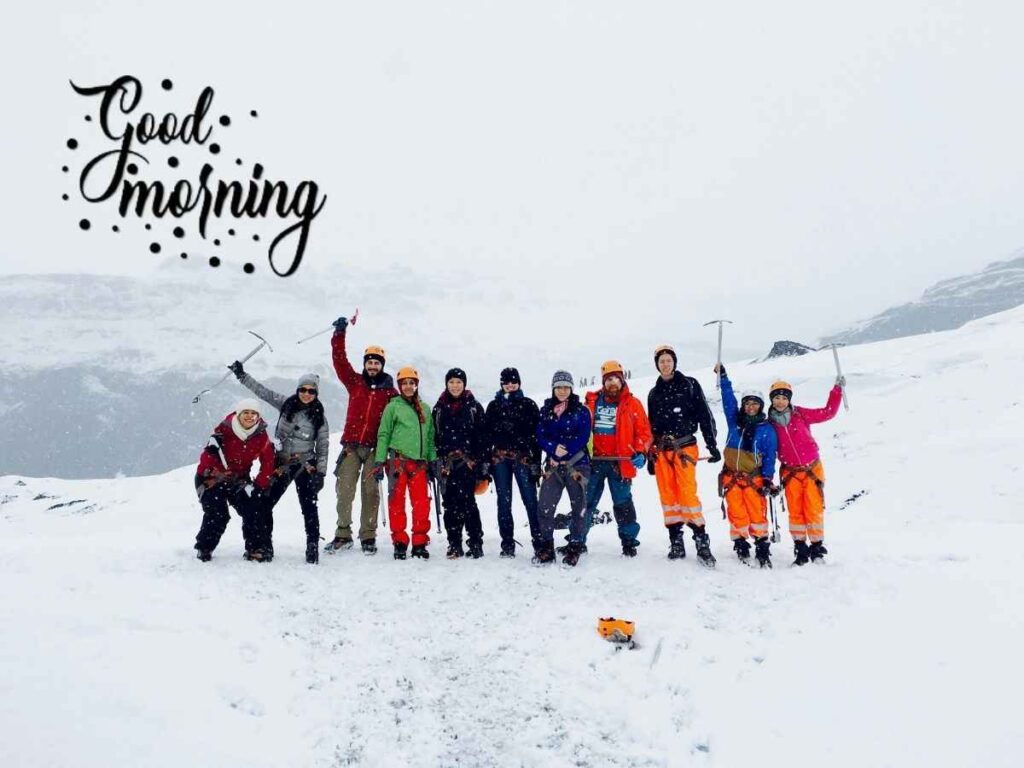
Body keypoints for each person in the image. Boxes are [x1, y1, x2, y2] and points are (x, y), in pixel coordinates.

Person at [230, 363, 329, 564]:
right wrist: (242, 376)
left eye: (311, 391)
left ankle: (312, 547)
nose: (307, 394)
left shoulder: (320, 417)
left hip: (304, 464)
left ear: (316, 393)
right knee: (265, 503)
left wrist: (321, 473)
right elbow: (263, 392)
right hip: (282, 462)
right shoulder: (286, 404)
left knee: (309, 507)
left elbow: (323, 446)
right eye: (303, 389)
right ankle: (265, 546)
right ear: (298, 390)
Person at [328, 314, 397, 555]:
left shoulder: (391, 392)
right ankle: (342, 534)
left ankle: (368, 536)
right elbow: (340, 362)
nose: (372, 366)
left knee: (370, 492)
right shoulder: (355, 382)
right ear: (365, 364)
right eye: (369, 362)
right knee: (344, 489)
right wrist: (339, 334)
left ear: (382, 365)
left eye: (377, 362)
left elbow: (400, 419)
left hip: (375, 449)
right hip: (351, 447)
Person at [647, 345, 720, 567]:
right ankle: (676, 540)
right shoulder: (654, 393)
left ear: (674, 362)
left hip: (685, 447)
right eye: (661, 361)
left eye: (668, 360)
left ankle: (701, 540)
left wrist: (711, 443)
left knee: (687, 493)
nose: (665, 364)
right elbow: (651, 426)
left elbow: (704, 415)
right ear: (657, 365)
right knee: (668, 496)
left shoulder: (689, 385)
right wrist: (651, 454)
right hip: (661, 450)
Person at [767, 376, 843, 565]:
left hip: (811, 470)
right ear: (771, 399)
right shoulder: (769, 424)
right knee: (796, 512)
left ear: (789, 399)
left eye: (784, 397)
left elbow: (828, 413)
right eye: (777, 397)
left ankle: (817, 550)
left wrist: (837, 391)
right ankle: (800, 550)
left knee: (813, 509)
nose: (780, 401)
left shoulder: (800, 414)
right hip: (790, 473)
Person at [582, 360, 653, 558]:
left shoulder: (633, 403)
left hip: (620, 462)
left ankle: (629, 541)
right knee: (585, 501)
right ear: (603, 382)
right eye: (608, 379)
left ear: (622, 380)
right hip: (594, 462)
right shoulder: (591, 402)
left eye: (616, 379)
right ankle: (578, 539)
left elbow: (644, 433)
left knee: (623, 503)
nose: (612, 383)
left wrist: (640, 451)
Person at [193, 398, 276, 562]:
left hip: (237, 480)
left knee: (253, 508)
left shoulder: (261, 435)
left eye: (254, 413)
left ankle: (255, 548)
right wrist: (212, 452)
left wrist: (260, 485)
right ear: (239, 413)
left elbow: (268, 462)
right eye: (246, 412)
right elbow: (205, 461)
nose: (250, 416)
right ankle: (204, 548)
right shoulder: (223, 430)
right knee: (218, 514)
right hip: (211, 479)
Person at [714, 364, 778, 568]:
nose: (751, 407)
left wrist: (767, 478)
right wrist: (723, 378)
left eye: (755, 404)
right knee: (736, 511)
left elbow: (769, 456)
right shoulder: (735, 421)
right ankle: (740, 543)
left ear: (760, 406)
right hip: (732, 476)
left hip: (754, 478)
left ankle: (761, 545)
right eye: (747, 403)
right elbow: (728, 400)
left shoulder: (767, 430)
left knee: (757, 513)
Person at [374, 366, 437, 560]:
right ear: (400, 386)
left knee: (421, 505)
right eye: (405, 383)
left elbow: (430, 438)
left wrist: (433, 461)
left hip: (419, 464)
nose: (409, 386)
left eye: (412, 383)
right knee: (396, 504)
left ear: (417, 385)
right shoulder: (393, 406)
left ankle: (419, 542)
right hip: (397, 462)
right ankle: (400, 542)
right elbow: (383, 434)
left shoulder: (425, 408)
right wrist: (379, 460)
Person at [535, 371, 592, 566]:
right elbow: (540, 434)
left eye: (566, 387)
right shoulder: (546, 410)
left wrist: (564, 451)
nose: (562, 390)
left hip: (577, 465)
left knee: (578, 507)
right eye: (559, 387)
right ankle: (547, 546)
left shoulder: (581, 411)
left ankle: (575, 545)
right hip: (553, 466)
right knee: (545, 505)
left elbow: (583, 435)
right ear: (553, 388)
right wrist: (552, 448)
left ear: (571, 389)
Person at [484, 367, 541, 558]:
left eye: (513, 381)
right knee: (503, 502)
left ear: (519, 382)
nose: (510, 385)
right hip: (500, 460)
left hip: (523, 459)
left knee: (531, 501)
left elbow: (537, 437)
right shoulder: (493, 406)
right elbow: (487, 436)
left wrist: (537, 463)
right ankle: (507, 543)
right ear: (501, 384)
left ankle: (539, 542)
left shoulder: (528, 405)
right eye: (506, 382)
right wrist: (486, 461)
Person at [432, 368, 489, 559]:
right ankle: (454, 543)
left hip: (468, 464)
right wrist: (435, 462)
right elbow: (435, 438)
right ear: (446, 384)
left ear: (464, 384)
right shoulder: (439, 409)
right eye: (451, 382)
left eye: (458, 382)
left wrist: (482, 465)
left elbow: (482, 437)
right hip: (447, 465)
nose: (455, 386)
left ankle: (475, 542)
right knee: (450, 504)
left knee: (468, 503)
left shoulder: (474, 407)